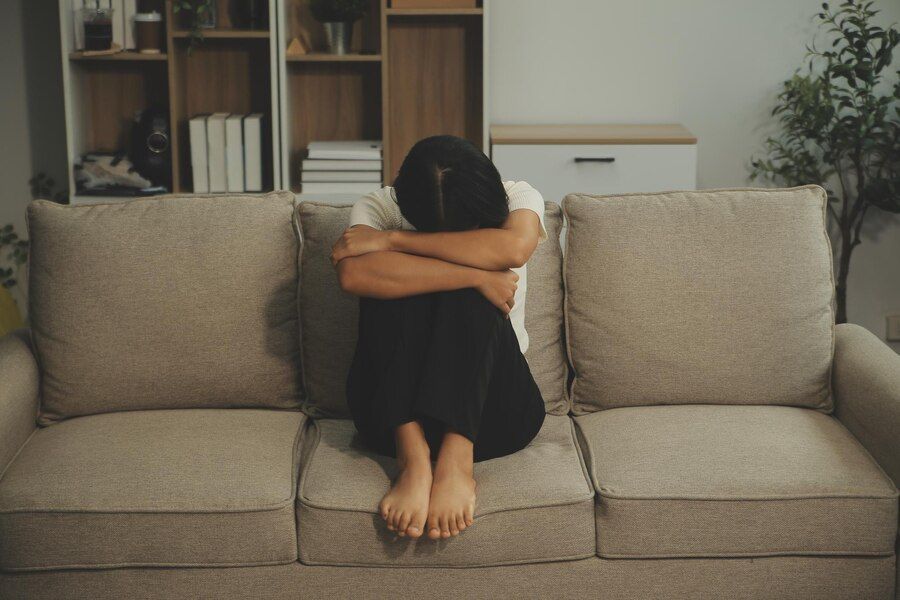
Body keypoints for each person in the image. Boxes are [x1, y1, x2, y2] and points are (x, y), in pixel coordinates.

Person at [330, 135, 547, 542]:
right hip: (392, 414)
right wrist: (477, 275)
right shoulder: (381, 206)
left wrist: (395, 241)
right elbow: (353, 275)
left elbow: (514, 248)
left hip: (494, 413)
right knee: (386, 280)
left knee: (450, 279)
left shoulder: (517, 195)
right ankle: (413, 459)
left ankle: (455, 459)